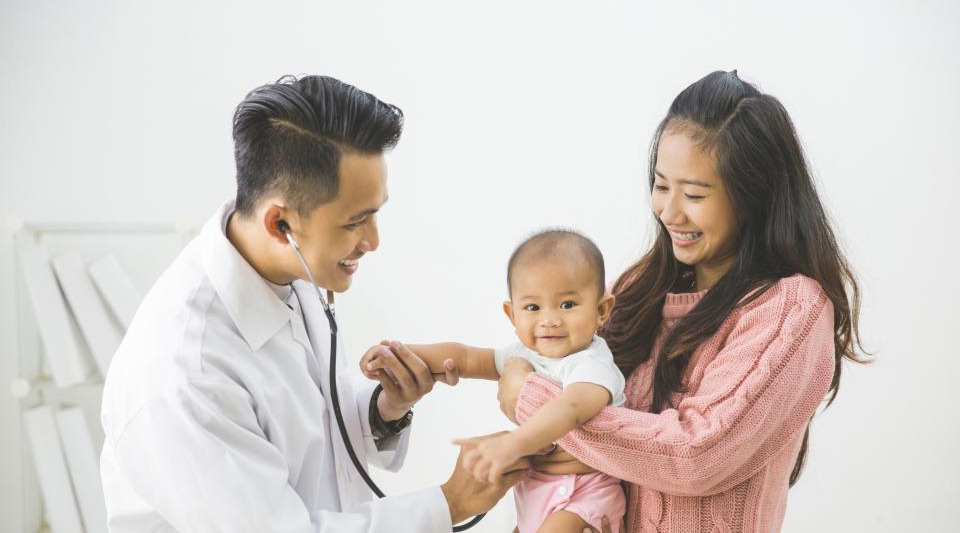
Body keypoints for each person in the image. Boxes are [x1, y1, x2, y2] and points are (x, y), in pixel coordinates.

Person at [99, 74, 527, 532]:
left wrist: (382, 410)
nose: (373, 241)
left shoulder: (289, 270)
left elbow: (304, 439)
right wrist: (450, 503)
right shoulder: (185, 372)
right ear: (280, 224)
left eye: (376, 213)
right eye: (355, 222)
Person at [497, 70, 865, 532]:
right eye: (661, 185)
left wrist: (532, 403)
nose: (669, 212)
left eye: (693, 194)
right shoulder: (640, 287)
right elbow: (564, 374)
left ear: (752, 197)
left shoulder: (790, 309)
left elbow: (696, 455)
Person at [361, 229, 627, 533]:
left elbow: (571, 408)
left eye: (567, 305)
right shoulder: (524, 354)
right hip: (537, 491)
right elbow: (465, 357)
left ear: (602, 310)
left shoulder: (592, 363)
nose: (549, 319)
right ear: (512, 315)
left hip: (584, 491)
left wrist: (514, 444)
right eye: (533, 307)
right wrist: (399, 353)